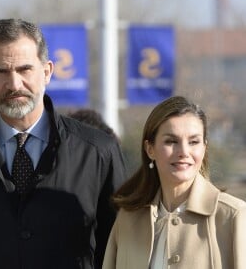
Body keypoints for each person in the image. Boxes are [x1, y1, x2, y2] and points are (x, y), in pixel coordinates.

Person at [0, 18, 127, 269]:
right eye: (0, 71)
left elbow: (120, 253)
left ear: (47, 72)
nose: (14, 84)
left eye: (24, 69)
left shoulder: (98, 153)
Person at [102, 96, 246, 269]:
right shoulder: (128, 219)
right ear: (150, 149)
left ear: (204, 148)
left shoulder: (233, 216)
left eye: (194, 142)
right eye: (171, 141)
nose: (184, 152)